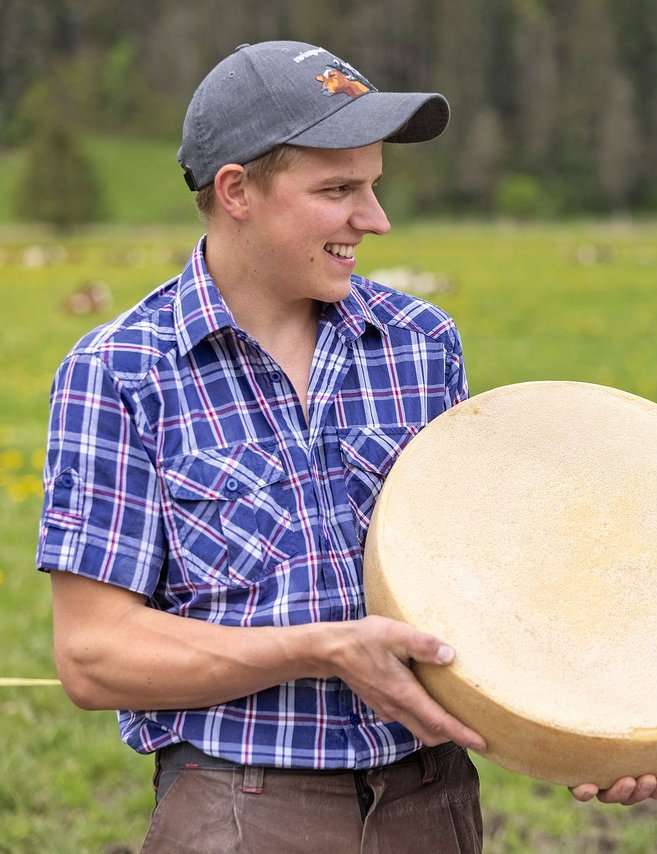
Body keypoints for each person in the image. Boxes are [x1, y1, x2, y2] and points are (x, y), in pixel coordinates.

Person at [36, 40, 487, 852]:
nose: (375, 220)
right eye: (339, 190)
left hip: (435, 800)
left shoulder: (423, 345)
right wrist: (321, 651)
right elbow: (94, 655)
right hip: (241, 810)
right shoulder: (119, 373)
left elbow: (475, 582)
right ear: (238, 190)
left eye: (374, 186)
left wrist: (585, 732)